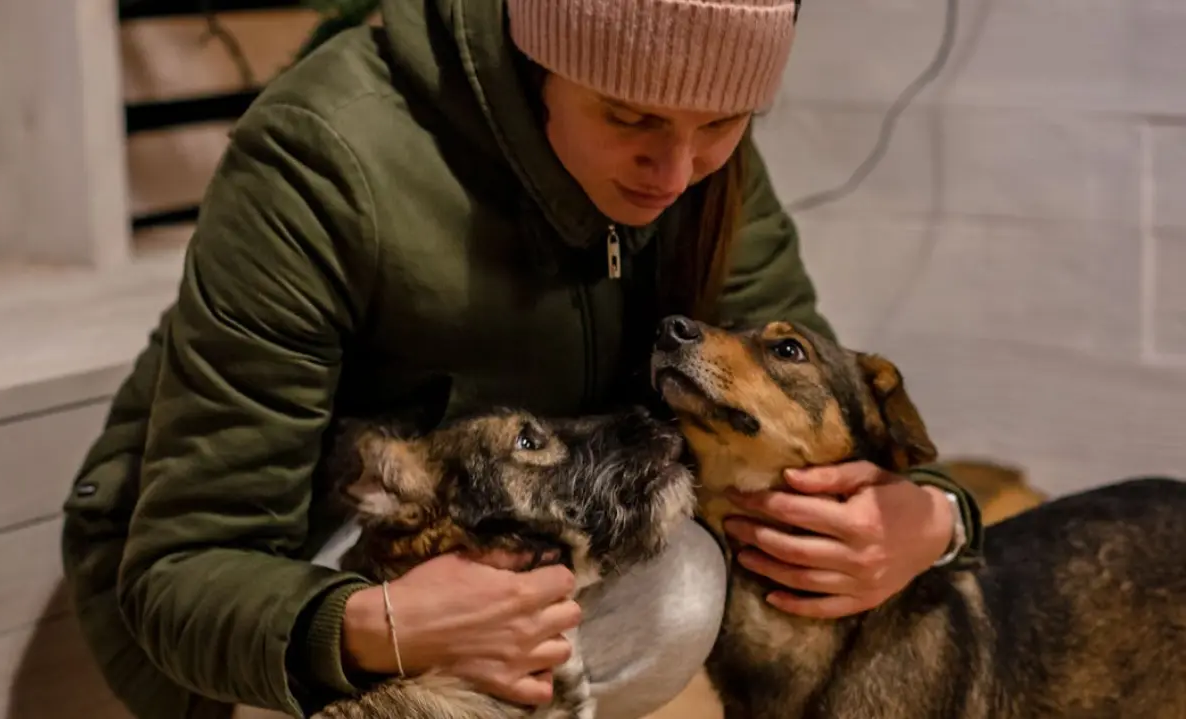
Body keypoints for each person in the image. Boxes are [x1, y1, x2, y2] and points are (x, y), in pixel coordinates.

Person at [60, 1, 985, 718]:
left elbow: (816, 405)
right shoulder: (321, 155)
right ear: (542, 54)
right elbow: (183, 567)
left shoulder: (697, 164)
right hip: (289, 579)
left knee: (682, 585)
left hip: (525, 527)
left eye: (724, 123)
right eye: (629, 116)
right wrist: (379, 625)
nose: (675, 172)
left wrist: (933, 513)